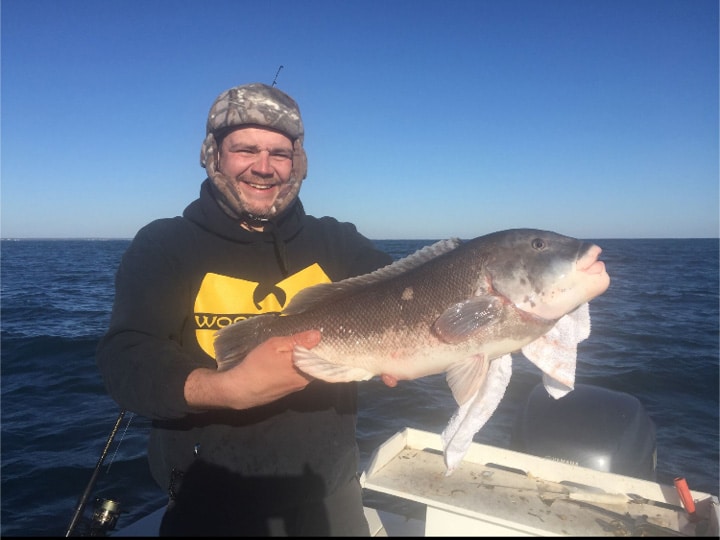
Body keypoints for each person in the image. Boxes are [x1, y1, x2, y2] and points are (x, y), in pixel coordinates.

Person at [96, 82, 394, 536]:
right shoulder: (164, 245)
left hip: (328, 497)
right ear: (213, 155)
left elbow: (405, 294)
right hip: (209, 502)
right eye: (246, 150)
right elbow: (126, 359)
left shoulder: (338, 243)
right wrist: (226, 389)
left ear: (299, 162)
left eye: (280, 153)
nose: (264, 167)